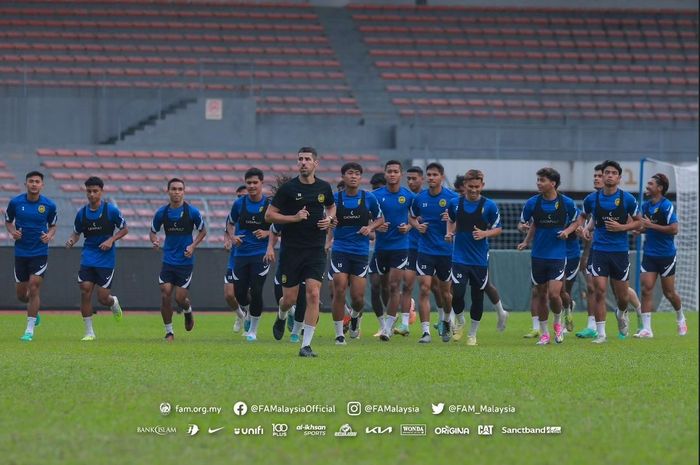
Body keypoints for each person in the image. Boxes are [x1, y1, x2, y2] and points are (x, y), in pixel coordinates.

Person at [265, 147, 335, 357]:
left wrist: (329, 219)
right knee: (289, 299)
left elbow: (331, 207)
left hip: (315, 250)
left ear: (316, 163)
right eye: (300, 159)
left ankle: (305, 345)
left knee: (313, 294)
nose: (303, 162)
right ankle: (281, 314)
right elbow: (269, 216)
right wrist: (293, 218)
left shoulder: (324, 188)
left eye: (307, 159)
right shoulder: (288, 189)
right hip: (292, 251)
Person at [518, 167, 581, 345]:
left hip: (558, 255)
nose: (539, 183)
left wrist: (568, 231)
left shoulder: (566, 202)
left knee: (555, 294)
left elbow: (578, 220)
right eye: (538, 179)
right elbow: (527, 223)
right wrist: (524, 235)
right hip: (538, 254)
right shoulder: (532, 203)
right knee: (540, 293)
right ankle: (544, 334)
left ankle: (557, 324)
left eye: (542, 180)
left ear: (553, 183)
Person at [582, 160, 641, 343]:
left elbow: (639, 222)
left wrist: (622, 227)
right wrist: (586, 229)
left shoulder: (628, 199)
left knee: (622, 297)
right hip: (599, 250)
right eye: (606, 172)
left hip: (620, 252)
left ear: (619, 178)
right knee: (599, 290)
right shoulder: (591, 199)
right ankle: (601, 334)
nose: (609, 175)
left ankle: (621, 312)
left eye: (613, 173)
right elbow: (591, 219)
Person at [326, 162, 383, 344]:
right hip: (341, 249)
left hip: (360, 251)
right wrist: (330, 225)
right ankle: (339, 334)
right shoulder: (335, 199)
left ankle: (355, 316)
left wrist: (370, 226)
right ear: (343, 177)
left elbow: (381, 218)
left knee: (358, 299)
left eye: (357, 174)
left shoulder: (369, 198)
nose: (353, 176)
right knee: (339, 288)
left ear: (360, 177)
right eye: (350, 173)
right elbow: (326, 219)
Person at [65, 177, 128, 340]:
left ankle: (113, 302)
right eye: (89, 191)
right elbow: (76, 233)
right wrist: (72, 240)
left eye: (95, 191)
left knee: (102, 297)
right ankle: (89, 332)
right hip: (89, 256)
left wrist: (111, 240)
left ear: (101, 192)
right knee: (85, 290)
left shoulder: (111, 211)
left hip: (106, 258)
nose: (92, 194)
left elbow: (124, 229)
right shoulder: (82, 214)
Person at [446, 170, 503, 346]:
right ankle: (460, 320)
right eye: (470, 187)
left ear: (482, 186)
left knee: (477, 297)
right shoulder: (455, 203)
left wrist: (485, 233)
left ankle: (472, 334)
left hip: (479, 259)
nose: (473, 190)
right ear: (464, 186)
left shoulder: (490, 205)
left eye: (477, 187)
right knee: (457, 294)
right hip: (459, 257)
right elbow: (451, 220)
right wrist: (449, 232)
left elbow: (498, 228)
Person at [150, 178, 207, 341]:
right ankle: (169, 331)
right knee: (165, 294)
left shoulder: (192, 212)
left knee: (179, 298)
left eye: (179, 189)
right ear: (168, 191)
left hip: (185, 262)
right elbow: (153, 231)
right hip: (168, 260)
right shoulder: (162, 212)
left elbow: (203, 231)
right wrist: (154, 240)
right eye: (173, 189)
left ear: (184, 191)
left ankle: (188, 311)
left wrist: (193, 245)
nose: (176, 192)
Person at [5, 171, 57, 342]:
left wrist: (49, 235)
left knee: (34, 287)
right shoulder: (15, 203)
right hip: (21, 252)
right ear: (25, 184)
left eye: (37, 181)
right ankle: (34, 310)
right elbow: (8, 221)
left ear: (42, 185)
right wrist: (13, 232)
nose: (34, 184)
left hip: (39, 252)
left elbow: (53, 225)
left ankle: (29, 330)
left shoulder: (49, 205)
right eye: (31, 181)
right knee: (21, 294)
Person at [409, 162, 458, 343]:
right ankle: (425, 332)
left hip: (445, 251)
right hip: (425, 250)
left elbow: (462, 220)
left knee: (445, 293)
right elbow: (411, 216)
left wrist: (451, 226)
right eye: (428, 175)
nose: (431, 178)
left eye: (434, 175)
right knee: (424, 288)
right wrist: (417, 226)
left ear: (442, 177)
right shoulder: (420, 198)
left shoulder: (452, 198)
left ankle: (445, 321)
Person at [224, 168, 272, 342]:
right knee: (240, 293)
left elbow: (279, 228)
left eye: (255, 183)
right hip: (241, 254)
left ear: (261, 183)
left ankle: (253, 330)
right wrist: (232, 236)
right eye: (249, 183)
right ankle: (246, 313)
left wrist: (267, 235)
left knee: (257, 290)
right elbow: (230, 223)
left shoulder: (269, 204)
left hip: (260, 254)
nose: (252, 186)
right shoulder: (239, 204)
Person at [636, 173, 686, 337]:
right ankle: (647, 329)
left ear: (660, 188)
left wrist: (651, 225)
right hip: (649, 254)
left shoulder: (667, 206)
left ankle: (680, 318)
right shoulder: (645, 206)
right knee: (646, 288)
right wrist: (639, 230)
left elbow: (674, 229)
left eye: (650, 184)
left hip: (666, 255)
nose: (647, 187)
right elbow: (645, 227)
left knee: (669, 293)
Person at [371, 160, 416, 342]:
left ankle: (387, 329)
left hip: (400, 248)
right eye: (389, 171)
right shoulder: (374, 196)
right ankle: (386, 321)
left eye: (395, 171)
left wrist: (409, 228)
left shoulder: (409, 196)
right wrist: (375, 227)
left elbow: (415, 218)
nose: (392, 174)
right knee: (377, 286)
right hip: (381, 248)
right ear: (385, 173)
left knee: (393, 286)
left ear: (400, 174)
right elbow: (367, 219)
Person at [394, 166, 424, 337]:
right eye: (409, 179)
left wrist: (412, 223)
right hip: (410, 247)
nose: (411, 182)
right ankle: (405, 323)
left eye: (414, 179)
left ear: (422, 179)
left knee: (435, 288)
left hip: (429, 248)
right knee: (406, 284)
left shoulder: (427, 198)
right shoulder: (405, 197)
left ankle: (446, 320)